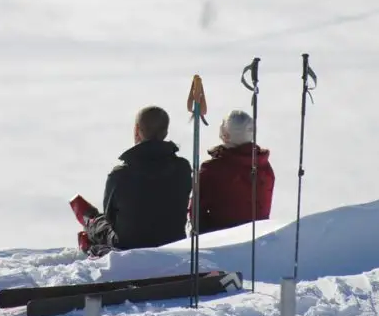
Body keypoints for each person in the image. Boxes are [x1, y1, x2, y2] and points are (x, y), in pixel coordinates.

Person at [71, 106, 193, 257]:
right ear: (166, 132)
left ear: (136, 130)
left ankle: (89, 223)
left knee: (101, 224)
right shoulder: (183, 168)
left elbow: (111, 218)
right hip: (172, 241)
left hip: (127, 245)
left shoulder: (120, 174)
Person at [195, 109, 275, 235]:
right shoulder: (264, 167)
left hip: (221, 241)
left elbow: (197, 211)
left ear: (226, 135)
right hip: (258, 239)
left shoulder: (213, 170)